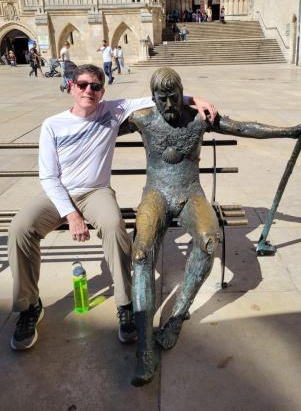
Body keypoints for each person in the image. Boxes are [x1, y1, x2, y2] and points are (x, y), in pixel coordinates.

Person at [117, 67, 301, 386]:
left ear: (183, 93)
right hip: (156, 193)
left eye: (174, 98)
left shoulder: (198, 119)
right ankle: (144, 349)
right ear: (152, 98)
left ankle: (177, 317)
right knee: (140, 254)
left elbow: (244, 127)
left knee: (209, 241)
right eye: (161, 99)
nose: (168, 106)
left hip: (190, 193)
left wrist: (290, 131)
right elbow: (100, 123)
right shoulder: (142, 119)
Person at [7, 63, 215, 352]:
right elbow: (48, 177)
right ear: (71, 86)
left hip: (96, 192)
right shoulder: (52, 125)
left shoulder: (111, 111)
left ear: (102, 91)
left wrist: (196, 100)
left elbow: (160, 96)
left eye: (95, 86)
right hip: (58, 194)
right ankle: (29, 306)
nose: (88, 91)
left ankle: (126, 305)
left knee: (114, 226)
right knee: (20, 229)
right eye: (82, 84)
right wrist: (71, 214)